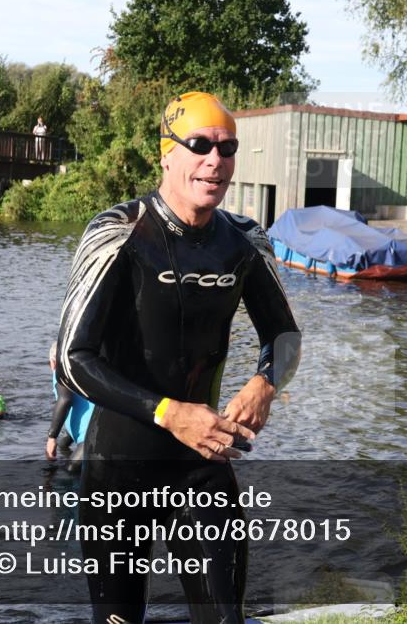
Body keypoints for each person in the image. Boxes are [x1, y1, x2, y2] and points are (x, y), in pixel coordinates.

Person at [56, 91, 302, 624]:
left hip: (201, 462)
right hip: (119, 465)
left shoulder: (243, 241)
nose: (215, 160)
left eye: (227, 148)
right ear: (167, 153)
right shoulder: (119, 231)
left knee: (224, 618)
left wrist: (264, 383)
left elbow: (284, 335)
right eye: (199, 145)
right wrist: (169, 412)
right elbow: (73, 357)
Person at [46, 342, 93, 470]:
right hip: (101, 434)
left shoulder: (61, 372)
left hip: (90, 440)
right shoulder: (84, 372)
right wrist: (63, 446)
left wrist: (52, 438)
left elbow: (65, 400)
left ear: (53, 362)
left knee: (68, 473)